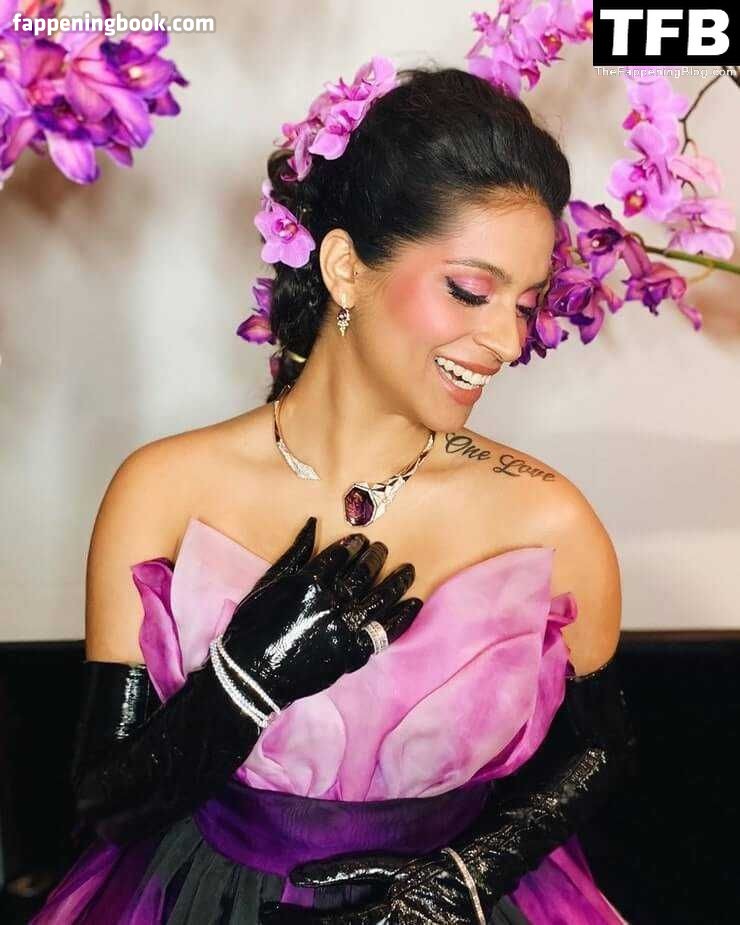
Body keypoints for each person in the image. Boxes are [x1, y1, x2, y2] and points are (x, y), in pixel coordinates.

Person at [31, 62, 637, 924]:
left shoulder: (549, 520)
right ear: (346, 267)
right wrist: (244, 682)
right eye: (471, 290)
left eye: (526, 303)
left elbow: (604, 749)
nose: (507, 341)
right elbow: (104, 803)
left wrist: (465, 876)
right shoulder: (162, 490)